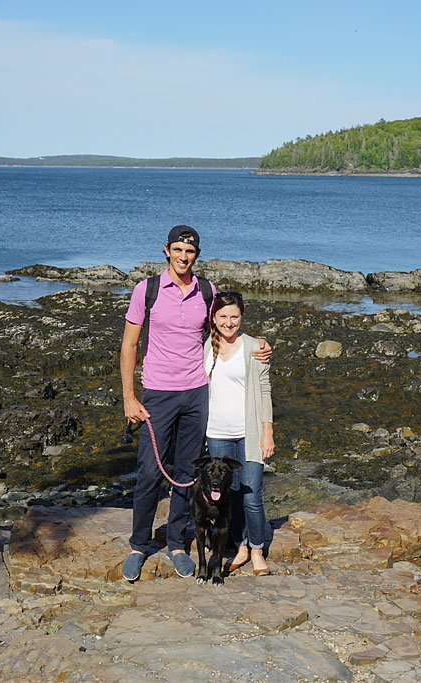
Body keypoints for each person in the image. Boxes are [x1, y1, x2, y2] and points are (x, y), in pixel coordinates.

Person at [120, 225, 271, 581]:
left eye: (189, 252)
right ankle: (139, 545)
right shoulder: (148, 290)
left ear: (196, 255)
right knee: (149, 473)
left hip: (195, 393)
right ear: (166, 251)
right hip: (157, 393)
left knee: (187, 476)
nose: (183, 257)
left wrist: (258, 345)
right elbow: (129, 345)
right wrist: (128, 396)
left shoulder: (207, 291)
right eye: (177, 250)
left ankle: (176, 543)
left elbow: (226, 328)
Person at [203, 291, 274, 576]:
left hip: (249, 432)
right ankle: (240, 546)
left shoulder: (255, 347)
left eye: (234, 316)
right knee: (227, 494)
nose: (229, 322)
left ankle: (257, 550)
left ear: (242, 317)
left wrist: (267, 432)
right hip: (217, 434)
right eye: (223, 316)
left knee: (251, 495)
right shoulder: (207, 346)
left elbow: (265, 390)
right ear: (214, 318)